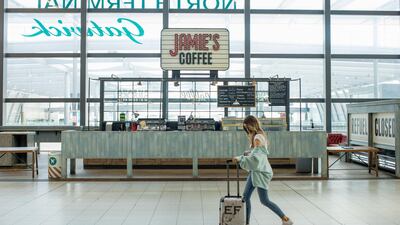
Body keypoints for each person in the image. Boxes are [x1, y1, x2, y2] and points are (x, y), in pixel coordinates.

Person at [233, 115, 293, 225]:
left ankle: (285, 219)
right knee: (246, 197)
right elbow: (257, 155)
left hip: (260, 172)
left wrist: (240, 158)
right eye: (245, 128)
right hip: (257, 172)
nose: (247, 130)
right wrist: (249, 153)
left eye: (247, 127)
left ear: (252, 125)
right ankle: (247, 222)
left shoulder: (257, 138)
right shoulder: (259, 136)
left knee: (264, 200)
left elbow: (256, 160)